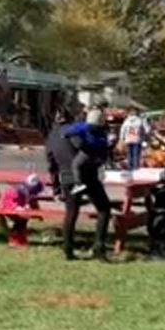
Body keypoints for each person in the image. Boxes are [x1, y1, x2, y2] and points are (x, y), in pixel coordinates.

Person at [47, 108, 112, 261]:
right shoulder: (76, 131)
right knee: (104, 209)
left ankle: (68, 248)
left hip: (65, 176)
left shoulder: (51, 137)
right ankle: (99, 247)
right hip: (86, 174)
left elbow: (51, 163)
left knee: (71, 212)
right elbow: (85, 148)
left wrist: (55, 187)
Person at [0, 173, 46, 247]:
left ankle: (21, 238)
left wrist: (38, 213)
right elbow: (6, 200)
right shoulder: (17, 190)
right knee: (20, 220)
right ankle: (14, 239)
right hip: (7, 206)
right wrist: (16, 207)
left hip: (17, 207)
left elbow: (33, 202)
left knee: (24, 219)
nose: (34, 193)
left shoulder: (28, 192)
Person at [119, 106, 150, 171]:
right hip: (137, 139)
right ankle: (136, 168)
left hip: (128, 139)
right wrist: (144, 135)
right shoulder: (140, 120)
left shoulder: (126, 121)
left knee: (129, 155)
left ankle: (130, 168)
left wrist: (121, 139)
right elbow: (147, 130)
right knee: (136, 155)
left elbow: (122, 130)